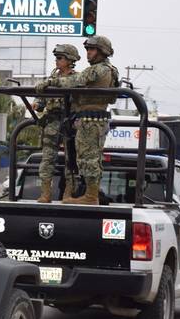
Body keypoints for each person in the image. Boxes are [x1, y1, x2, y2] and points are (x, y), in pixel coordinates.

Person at [34, 35, 119, 205]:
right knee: (82, 158)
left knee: (85, 159)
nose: (88, 53)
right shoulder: (102, 69)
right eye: (87, 49)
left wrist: (51, 83)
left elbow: (75, 81)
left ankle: (90, 196)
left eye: (92, 49)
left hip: (91, 119)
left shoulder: (101, 69)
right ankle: (88, 195)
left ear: (102, 51)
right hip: (85, 119)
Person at [35, 44, 80, 203]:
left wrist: (50, 84)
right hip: (52, 122)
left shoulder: (77, 78)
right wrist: (38, 101)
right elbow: (39, 103)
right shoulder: (50, 79)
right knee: (47, 159)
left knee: (71, 160)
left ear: (70, 60)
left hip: (70, 122)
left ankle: (69, 193)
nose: (57, 61)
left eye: (60, 58)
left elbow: (73, 86)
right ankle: (45, 193)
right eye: (56, 58)